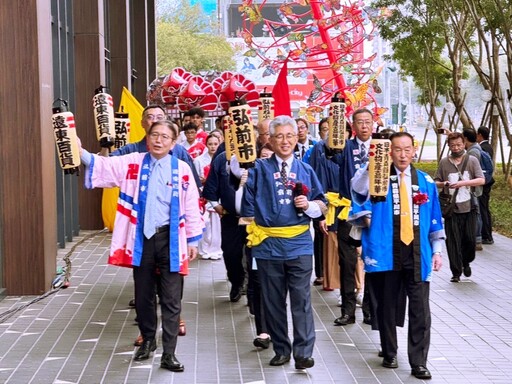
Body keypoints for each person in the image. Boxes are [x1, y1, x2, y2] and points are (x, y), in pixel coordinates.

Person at [79, 120, 203, 372]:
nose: (158, 140)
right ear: (147, 138)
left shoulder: (181, 168)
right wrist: (77, 149)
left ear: (173, 142)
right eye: (154, 135)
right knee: (143, 294)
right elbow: (102, 164)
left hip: (170, 238)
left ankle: (169, 352)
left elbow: (191, 205)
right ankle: (148, 340)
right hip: (142, 238)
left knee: (171, 298)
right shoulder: (133, 161)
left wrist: (193, 239)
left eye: (164, 137)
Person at [349, 131, 445, 380]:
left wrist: (437, 252)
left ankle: (419, 361)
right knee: (386, 305)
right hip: (384, 251)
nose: (402, 154)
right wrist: (373, 162)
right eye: (397, 149)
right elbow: (357, 191)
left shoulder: (425, 181)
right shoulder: (377, 178)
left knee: (420, 310)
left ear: (414, 151)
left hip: (417, 253)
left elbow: (435, 220)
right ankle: (389, 351)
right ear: (389, 151)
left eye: (407, 149)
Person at [241, 115, 327, 370]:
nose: (285, 141)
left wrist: (309, 205)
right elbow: (246, 209)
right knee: (272, 300)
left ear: (296, 137)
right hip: (268, 246)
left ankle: (303, 352)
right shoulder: (258, 170)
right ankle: (281, 349)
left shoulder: (306, 169)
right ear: (271, 139)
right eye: (279, 136)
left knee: (301, 299)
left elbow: (322, 204)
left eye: (290, 135)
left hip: (299, 244)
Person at [326, 108, 372, 326]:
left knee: (373, 259)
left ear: (373, 124)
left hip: (374, 213)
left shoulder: (381, 147)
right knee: (348, 261)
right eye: (360, 122)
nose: (364, 126)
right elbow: (330, 150)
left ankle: (372, 309)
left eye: (367, 122)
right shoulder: (345, 147)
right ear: (352, 126)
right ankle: (348, 310)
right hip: (348, 210)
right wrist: (336, 117)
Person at [434, 132, 485, 282]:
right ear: (448, 146)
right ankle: (456, 272)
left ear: (464, 144)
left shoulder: (472, 160)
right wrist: (444, 184)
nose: (456, 148)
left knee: (469, 239)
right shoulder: (444, 163)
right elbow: (436, 181)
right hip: (451, 208)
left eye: (459, 145)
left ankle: (466, 261)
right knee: (453, 241)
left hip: (469, 207)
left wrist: (463, 183)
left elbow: (481, 179)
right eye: (453, 145)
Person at [202, 145, 247, 302]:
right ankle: (236, 282)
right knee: (231, 252)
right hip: (230, 217)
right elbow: (211, 186)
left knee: (255, 255)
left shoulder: (260, 157)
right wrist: (216, 204)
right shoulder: (222, 158)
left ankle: (254, 292)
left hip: (255, 220)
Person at [306, 117, 340, 291]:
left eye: (332, 128)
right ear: (320, 132)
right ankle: (321, 272)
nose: (329, 132)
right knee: (321, 236)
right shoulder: (318, 148)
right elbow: (314, 174)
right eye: (325, 129)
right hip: (323, 199)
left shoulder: (344, 147)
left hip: (343, 201)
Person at [194, 134, 223, 260]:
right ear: (206, 145)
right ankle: (204, 249)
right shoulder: (199, 160)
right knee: (205, 223)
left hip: (218, 195)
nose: (213, 147)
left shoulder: (222, 159)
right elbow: (196, 179)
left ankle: (216, 249)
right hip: (203, 195)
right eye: (210, 144)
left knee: (217, 225)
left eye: (215, 144)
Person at [462, 128, 484, 250]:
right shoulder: (474, 149)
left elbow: (474, 172)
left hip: (474, 187)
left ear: (465, 138)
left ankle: (477, 239)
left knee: (476, 213)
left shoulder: (473, 152)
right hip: (473, 185)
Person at [476, 126, 494, 244]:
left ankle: (486, 235)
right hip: (487, 181)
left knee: (483, 208)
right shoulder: (488, 146)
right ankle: (487, 235)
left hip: (484, 182)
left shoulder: (482, 148)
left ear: (480, 135)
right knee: (485, 208)